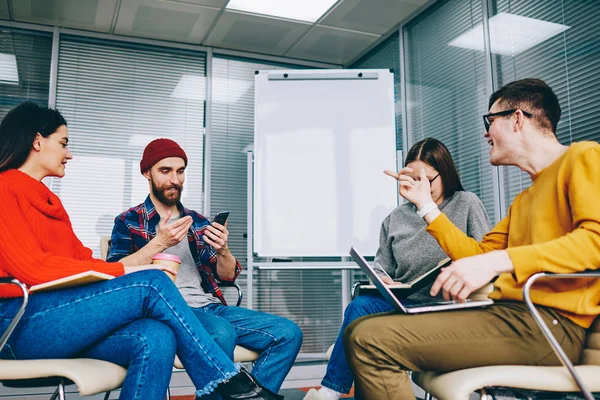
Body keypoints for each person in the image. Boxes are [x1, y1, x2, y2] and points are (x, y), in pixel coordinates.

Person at [0, 101, 284, 400]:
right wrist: (130, 270)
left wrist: (124, 271)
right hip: (20, 326)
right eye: (63, 143)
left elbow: (80, 261)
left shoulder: (47, 201)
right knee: (152, 280)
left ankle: (228, 384)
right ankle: (226, 381)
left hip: (61, 318)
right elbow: (33, 269)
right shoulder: (5, 189)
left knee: (155, 336)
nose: (68, 153)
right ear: (37, 141)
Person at [344, 78, 600, 399]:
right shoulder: (526, 199)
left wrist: (498, 261)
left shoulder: (584, 156)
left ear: (517, 119)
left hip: (547, 325)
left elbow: (595, 243)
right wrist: (426, 205)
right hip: (510, 316)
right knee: (360, 330)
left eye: (490, 121)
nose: (485, 132)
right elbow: (476, 253)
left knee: (369, 339)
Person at [107, 138, 303, 395]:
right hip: (166, 312)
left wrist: (223, 250)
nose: (175, 179)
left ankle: (249, 395)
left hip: (209, 306)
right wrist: (159, 243)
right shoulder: (128, 221)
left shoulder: (197, 222)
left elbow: (227, 276)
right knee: (221, 333)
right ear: (147, 173)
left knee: (288, 333)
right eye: (165, 171)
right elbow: (113, 273)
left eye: (180, 171)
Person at [304, 138, 491, 400]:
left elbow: (487, 258)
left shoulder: (466, 203)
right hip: (405, 305)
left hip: (447, 308)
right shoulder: (395, 218)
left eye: (427, 179)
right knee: (360, 307)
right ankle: (329, 392)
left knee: (365, 339)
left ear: (445, 173)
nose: (420, 186)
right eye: (413, 179)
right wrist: (385, 281)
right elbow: (383, 268)